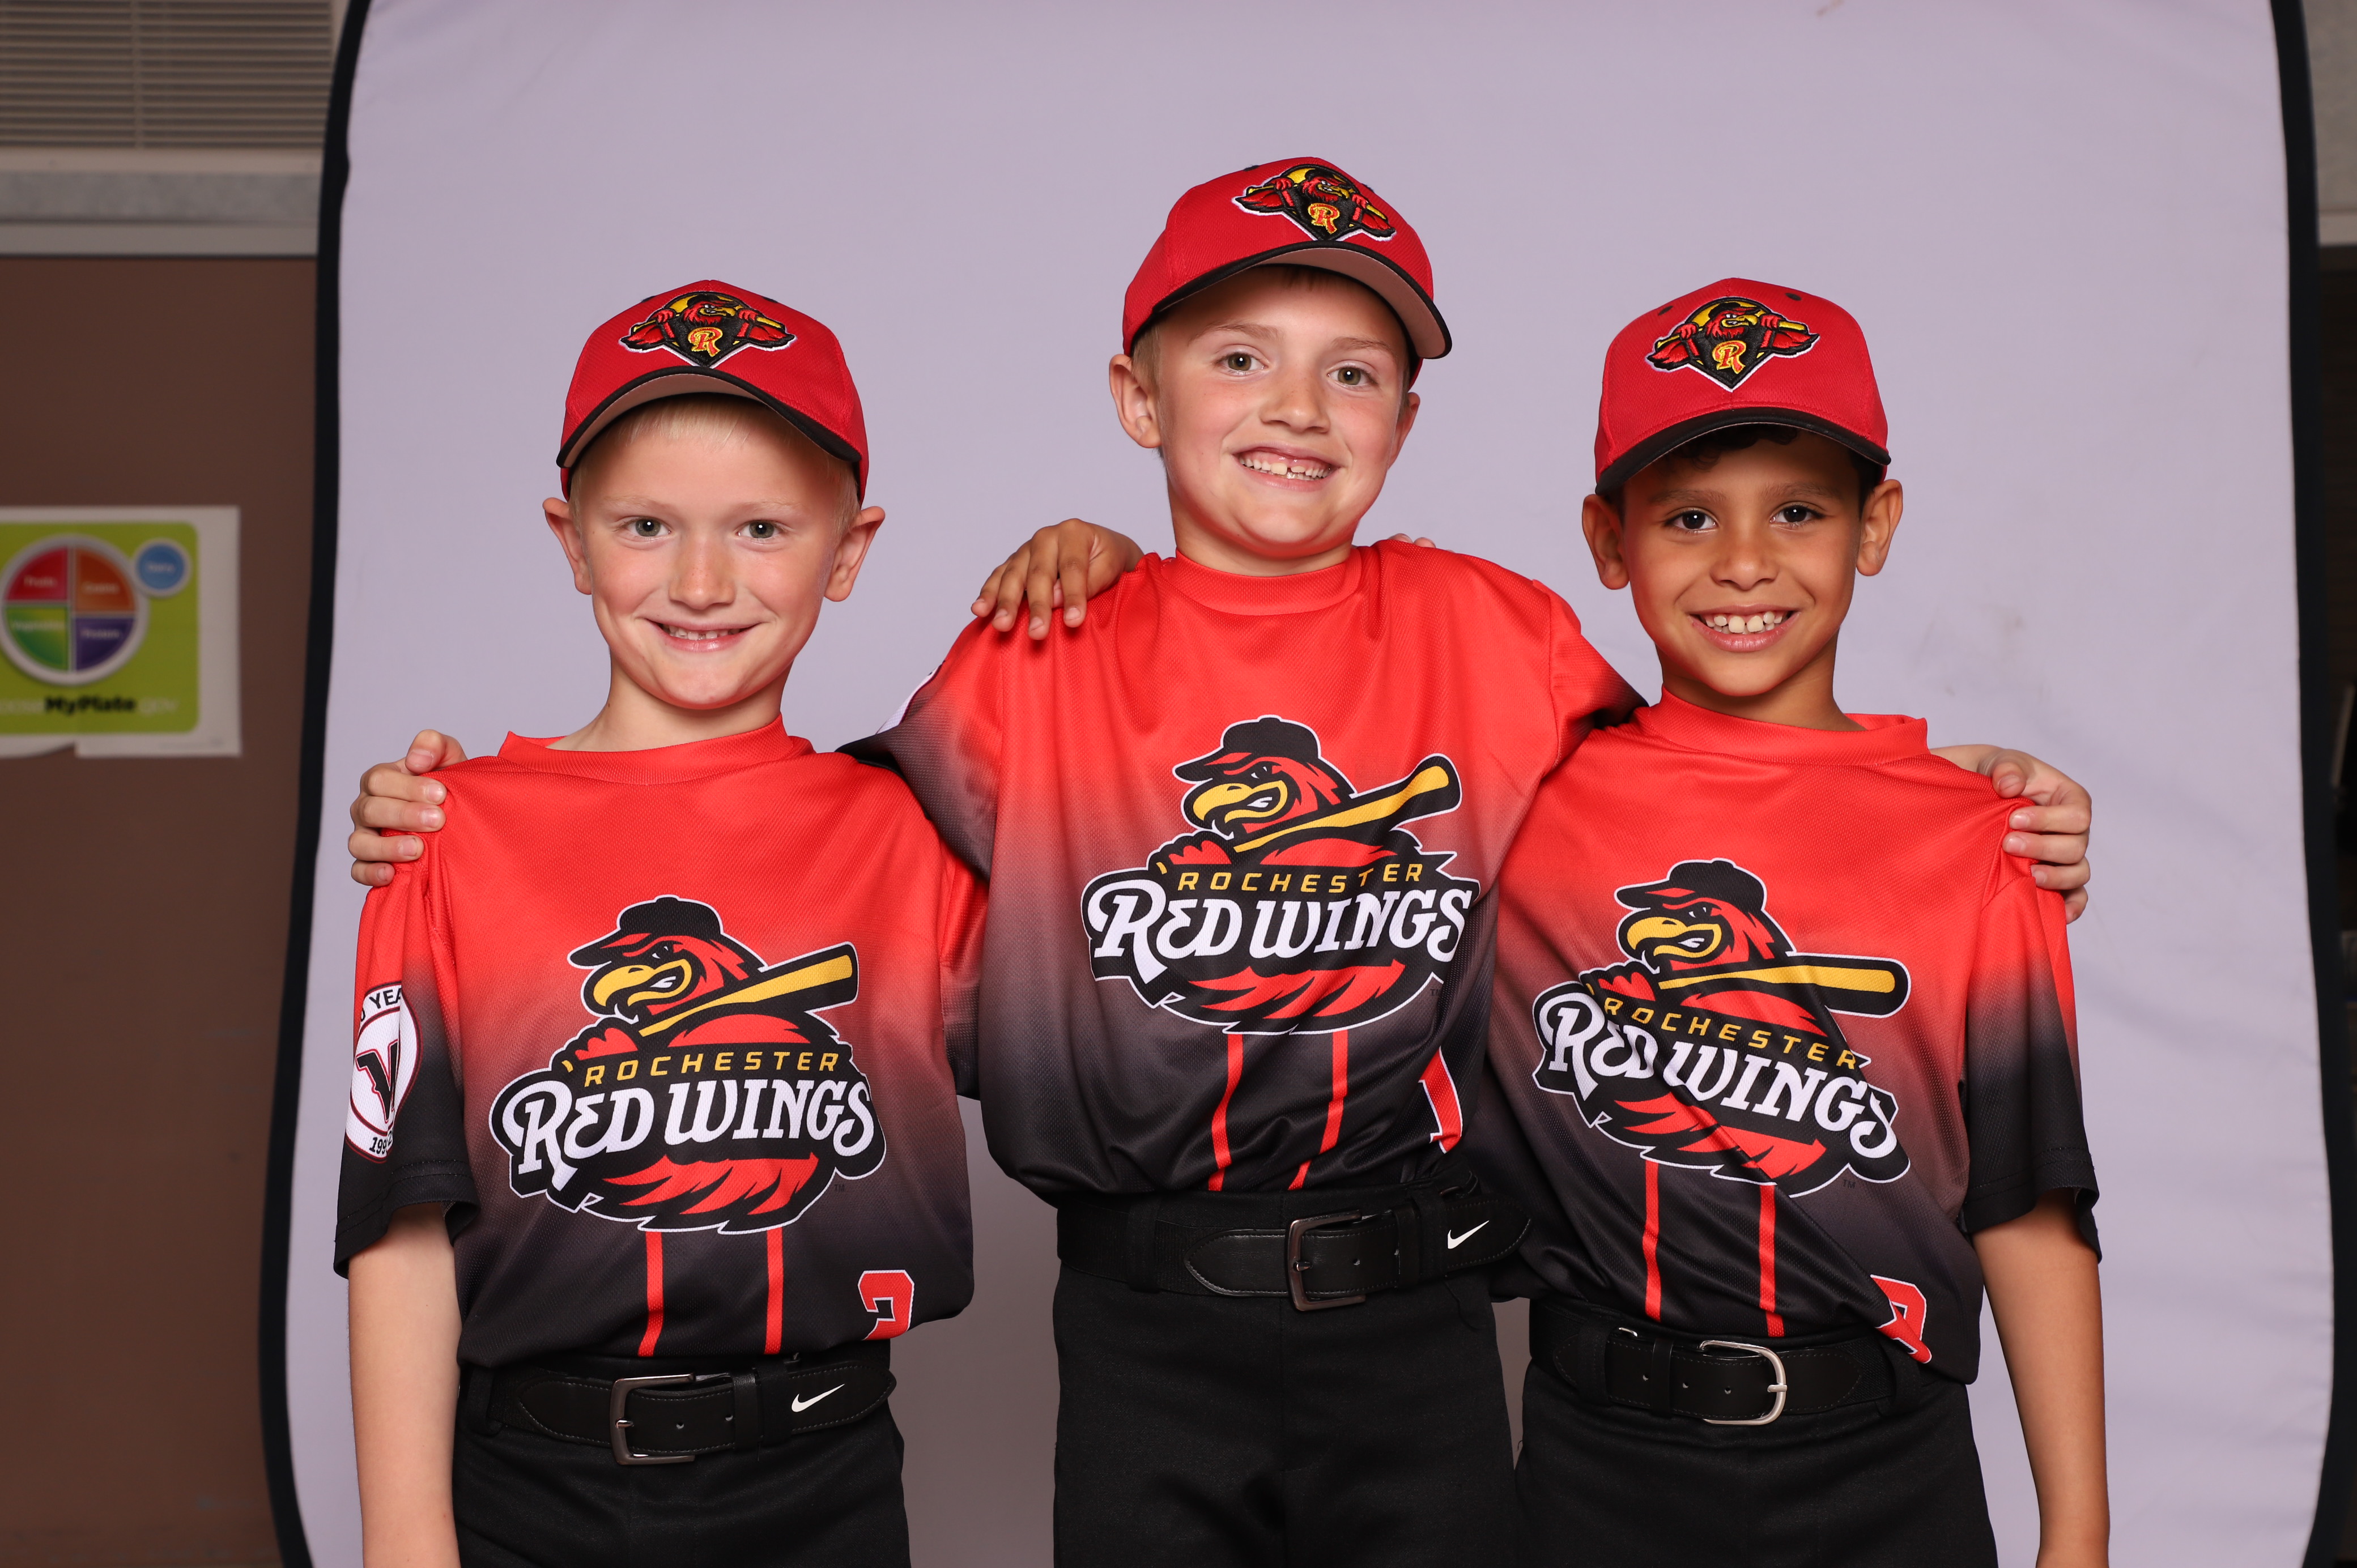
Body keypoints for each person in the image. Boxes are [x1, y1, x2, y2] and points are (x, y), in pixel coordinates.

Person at [343, 167, 2093, 1566]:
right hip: (1140, 1321)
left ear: (1407, 416)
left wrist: (1959, 796)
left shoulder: (1496, 634)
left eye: (1354, 370)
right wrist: (476, 832)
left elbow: (1721, 788)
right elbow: (789, 839)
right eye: (1239, 357)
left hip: (1419, 1312)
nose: (1296, 407)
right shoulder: (1040, 652)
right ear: (1139, 395)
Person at [336, 282, 989, 1568]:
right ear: (571, 540)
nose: (701, 581)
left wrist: (1107, 585)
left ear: (847, 550)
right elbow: (402, 1231)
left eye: (762, 527)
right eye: (645, 525)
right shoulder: (446, 833)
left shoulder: (909, 830)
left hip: (827, 1480)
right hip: (535, 1491)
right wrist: (405, 1546)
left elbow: (1144, 1012)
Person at [1477, 280, 2105, 1568]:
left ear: (1876, 527)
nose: (1745, 562)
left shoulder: (1977, 837)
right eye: (1688, 516)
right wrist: (1099, 560)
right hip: (1597, 1466)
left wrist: (2079, 1536)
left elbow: (2029, 1200)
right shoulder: (1519, 802)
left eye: (1800, 511)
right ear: (1607, 538)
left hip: (1886, 1470)